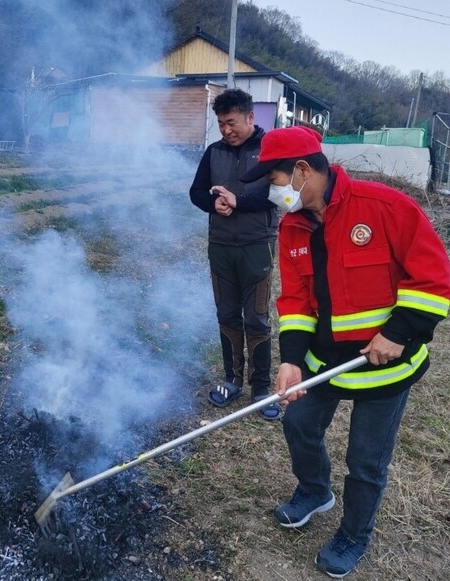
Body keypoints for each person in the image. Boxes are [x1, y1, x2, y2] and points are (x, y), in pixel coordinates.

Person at [239, 125, 450, 578]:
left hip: (383, 366)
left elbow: (434, 279)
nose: (274, 193)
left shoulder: (386, 207)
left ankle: (354, 534)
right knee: (297, 423)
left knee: (365, 461)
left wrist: (399, 332)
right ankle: (315, 491)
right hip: (324, 362)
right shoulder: (293, 226)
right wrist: (291, 359)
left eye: (274, 182)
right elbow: (294, 300)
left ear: (301, 170)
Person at [189, 88, 281, 419]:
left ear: (250, 117)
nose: (226, 130)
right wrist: (213, 203)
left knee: (256, 317)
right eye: (221, 124)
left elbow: (279, 196)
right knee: (227, 315)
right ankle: (232, 380)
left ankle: (261, 390)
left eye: (231, 122)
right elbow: (196, 191)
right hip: (221, 247)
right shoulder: (214, 152)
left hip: (258, 246)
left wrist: (238, 202)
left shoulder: (271, 150)